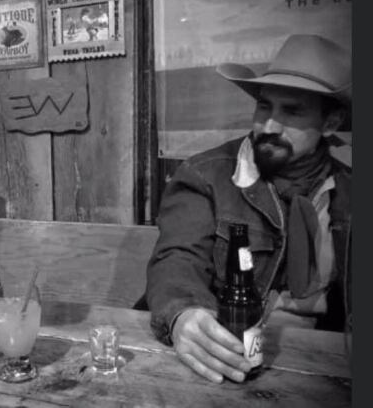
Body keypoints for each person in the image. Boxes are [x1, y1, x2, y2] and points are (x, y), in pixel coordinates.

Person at [139, 34, 352, 384]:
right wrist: (183, 315)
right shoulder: (206, 175)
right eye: (265, 107)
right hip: (221, 353)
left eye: (293, 111)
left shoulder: (348, 191)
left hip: (318, 367)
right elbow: (178, 257)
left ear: (330, 123)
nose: (269, 126)